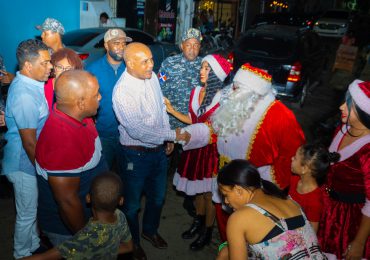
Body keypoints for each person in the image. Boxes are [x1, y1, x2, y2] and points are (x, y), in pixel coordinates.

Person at [182, 63, 305, 241]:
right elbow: (213, 131)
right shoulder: (233, 106)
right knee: (226, 229)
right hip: (224, 181)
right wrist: (186, 134)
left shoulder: (279, 115)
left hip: (253, 189)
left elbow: (293, 156)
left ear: (251, 91)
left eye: (236, 87)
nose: (231, 90)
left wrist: (268, 187)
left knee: (250, 235)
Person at [112, 42, 190, 260]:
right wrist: (173, 135)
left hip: (158, 151)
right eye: (144, 61)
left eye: (151, 60)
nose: (150, 65)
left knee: (157, 198)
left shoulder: (152, 77)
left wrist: (166, 136)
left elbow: (160, 109)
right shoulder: (123, 92)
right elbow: (138, 131)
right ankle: (132, 243)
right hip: (134, 155)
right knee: (132, 204)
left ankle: (149, 231)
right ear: (129, 63)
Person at [165, 54, 231, 250]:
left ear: (215, 75)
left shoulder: (224, 98)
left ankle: (207, 231)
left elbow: (221, 130)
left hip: (211, 153)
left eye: (206, 69)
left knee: (209, 194)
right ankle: (198, 222)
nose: (201, 71)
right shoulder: (196, 92)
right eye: (202, 67)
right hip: (194, 149)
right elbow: (192, 119)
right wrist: (171, 110)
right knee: (197, 193)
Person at [35, 70, 108, 246]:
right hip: (69, 230)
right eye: (95, 94)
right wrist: (86, 241)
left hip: (92, 214)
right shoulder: (61, 141)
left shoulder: (79, 115)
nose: (99, 97)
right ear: (80, 103)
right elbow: (67, 202)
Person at [216, 159, 326, 259]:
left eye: (226, 195)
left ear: (239, 190)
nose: (226, 201)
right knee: (225, 252)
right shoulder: (289, 201)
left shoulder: (239, 218)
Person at [2, 39, 52, 258]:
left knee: (30, 211)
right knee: (27, 214)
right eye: (45, 63)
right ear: (28, 66)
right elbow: (29, 142)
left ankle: (32, 245)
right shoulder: (25, 94)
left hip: (28, 160)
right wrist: (43, 170)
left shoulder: (31, 84)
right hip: (23, 163)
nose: (50, 67)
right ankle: (21, 253)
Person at [24, 172, 133, 260]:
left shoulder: (86, 236)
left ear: (88, 198)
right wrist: (106, 252)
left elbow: (43, 257)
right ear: (121, 201)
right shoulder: (120, 216)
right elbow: (129, 247)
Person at [318, 79, 370, 259]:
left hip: (349, 220)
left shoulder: (368, 149)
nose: (341, 107)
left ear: (364, 112)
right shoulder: (342, 129)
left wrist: (359, 243)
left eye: (348, 104)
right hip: (327, 207)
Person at [158, 27, 202, 217]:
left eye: (196, 45)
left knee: (191, 165)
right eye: (188, 45)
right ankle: (159, 196)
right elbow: (159, 91)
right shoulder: (169, 64)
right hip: (170, 124)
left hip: (193, 126)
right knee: (164, 163)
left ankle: (188, 199)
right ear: (181, 45)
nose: (192, 49)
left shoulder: (205, 66)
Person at [86, 29, 132, 169]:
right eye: (116, 43)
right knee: (104, 177)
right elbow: (86, 101)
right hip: (104, 134)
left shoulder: (132, 67)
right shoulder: (93, 70)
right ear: (106, 46)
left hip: (130, 134)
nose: (121, 48)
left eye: (124, 44)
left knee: (127, 174)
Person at [289, 143, 340, 233]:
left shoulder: (314, 201)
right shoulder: (294, 179)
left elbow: (312, 232)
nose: (291, 158)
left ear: (304, 169)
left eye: (295, 158)